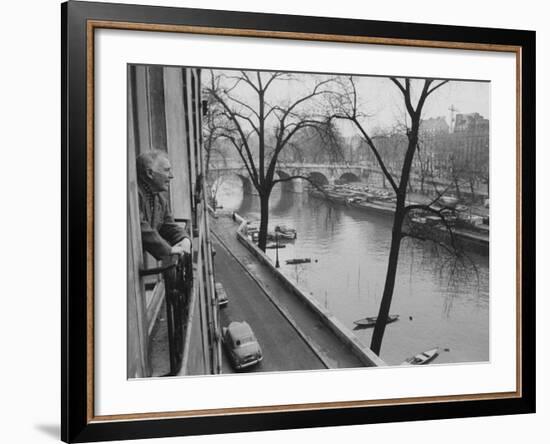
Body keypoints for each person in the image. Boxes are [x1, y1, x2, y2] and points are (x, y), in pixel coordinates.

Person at [136, 150, 191, 260]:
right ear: (150, 173)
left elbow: (169, 226)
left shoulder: (160, 199)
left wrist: (185, 239)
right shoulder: (134, 195)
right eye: (167, 170)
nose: (171, 176)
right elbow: (140, 228)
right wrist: (169, 250)